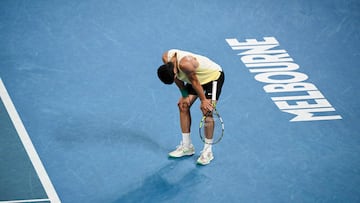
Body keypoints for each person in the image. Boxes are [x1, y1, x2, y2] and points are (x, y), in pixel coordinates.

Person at [157, 49, 225, 165]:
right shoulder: (166, 58)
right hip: (194, 78)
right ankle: (187, 146)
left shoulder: (185, 64)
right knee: (183, 105)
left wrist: (203, 100)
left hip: (212, 77)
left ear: (174, 71)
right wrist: (184, 95)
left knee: (207, 111)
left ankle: (208, 151)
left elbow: (194, 82)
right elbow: (178, 79)